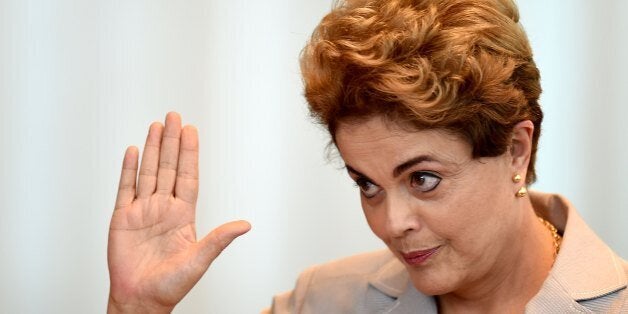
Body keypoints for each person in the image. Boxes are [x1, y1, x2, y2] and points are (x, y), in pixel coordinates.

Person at [107, 0, 628, 313]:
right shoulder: (324, 301)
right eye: (367, 184)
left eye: (423, 178)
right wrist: (137, 309)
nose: (391, 223)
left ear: (515, 150)